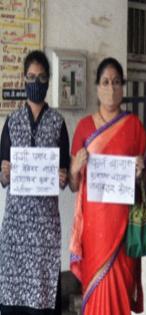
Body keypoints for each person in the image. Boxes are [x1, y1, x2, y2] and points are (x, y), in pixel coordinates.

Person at [68, 57, 146, 315]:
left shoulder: (134, 127)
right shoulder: (84, 128)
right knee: (96, 291)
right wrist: (74, 168)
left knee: (120, 292)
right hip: (94, 228)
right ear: (97, 87)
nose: (111, 88)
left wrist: (140, 171)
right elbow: (73, 185)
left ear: (123, 87)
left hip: (123, 228)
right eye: (105, 82)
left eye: (116, 82)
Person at [0, 50, 70, 315]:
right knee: (13, 297)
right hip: (16, 226)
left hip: (45, 227)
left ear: (49, 81)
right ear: (23, 79)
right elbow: (3, 174)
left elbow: (64, 172)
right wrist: (4, 173)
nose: (36, 82)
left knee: (42, 295)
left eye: (41, 77)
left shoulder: (58, 123)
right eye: (31, 77)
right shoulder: (12, 121)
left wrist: (63, 177)